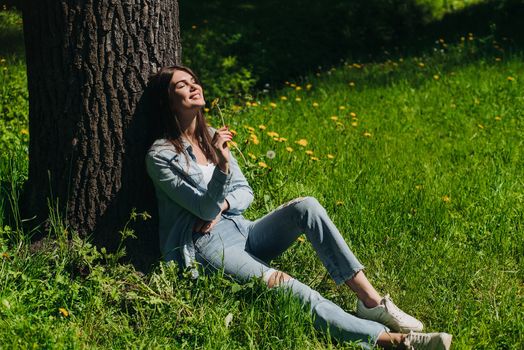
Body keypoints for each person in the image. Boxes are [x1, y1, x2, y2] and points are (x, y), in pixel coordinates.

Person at [145, 65, 452, 350]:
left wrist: (224, 202)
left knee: (306, 206)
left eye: (194, 81)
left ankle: (370, 302)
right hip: (207, 246)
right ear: (169, 103)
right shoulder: (160, 156)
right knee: (289, 286)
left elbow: (244, 193)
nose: (194, 87)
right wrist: (222, 167)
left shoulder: (212, 137)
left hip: (243, 226)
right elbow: (203, 209)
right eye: (182, 86)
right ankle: (395, 342)